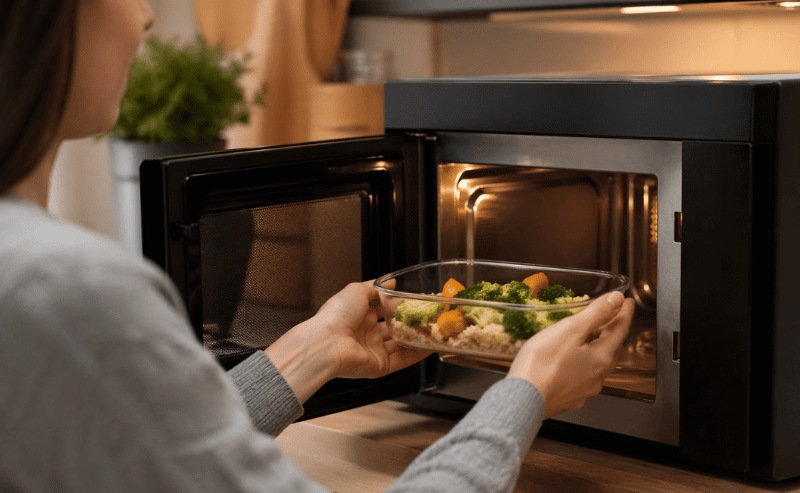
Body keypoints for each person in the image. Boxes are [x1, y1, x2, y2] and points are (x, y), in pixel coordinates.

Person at [0, 1, 636, 491]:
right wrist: (526, 391)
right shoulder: (66, 289)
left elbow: (149, 451)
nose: (143, 16)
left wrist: (307, 354)